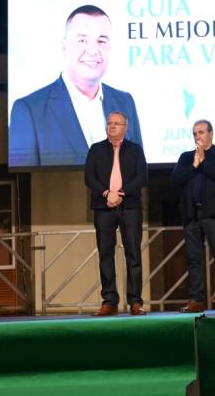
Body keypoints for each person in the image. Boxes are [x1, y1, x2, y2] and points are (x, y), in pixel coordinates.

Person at [9, 4, 142, 167]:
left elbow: (138, 172)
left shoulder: (124, 102)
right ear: (64, 46)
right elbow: (23, 179)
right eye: (82, 40)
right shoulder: (29, 110)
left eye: (101, 41)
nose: (93, 50)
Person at [84, 111, 148, 316]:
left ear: (125, 127)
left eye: (116, 123)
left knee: (133, 254)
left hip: (129, 206)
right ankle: (109, 301)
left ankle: (135, 301)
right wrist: (106, 194)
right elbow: (89, 177)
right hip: (103, 207)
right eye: (109, 123)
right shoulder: (96, 149)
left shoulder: (135, 150)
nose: (112, 126)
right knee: (105, 254)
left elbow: (142, 177)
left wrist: (120, 193)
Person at [171, 120, 215, 314]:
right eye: (194, 133)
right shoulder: (186, 157)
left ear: (211, 134)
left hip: (214, 215)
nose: (197, 136)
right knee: (193, 259)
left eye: (201, 132)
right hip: (191, 215)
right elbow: (176, 179)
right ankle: (196, 299)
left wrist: (204, 161)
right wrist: (194, 164)